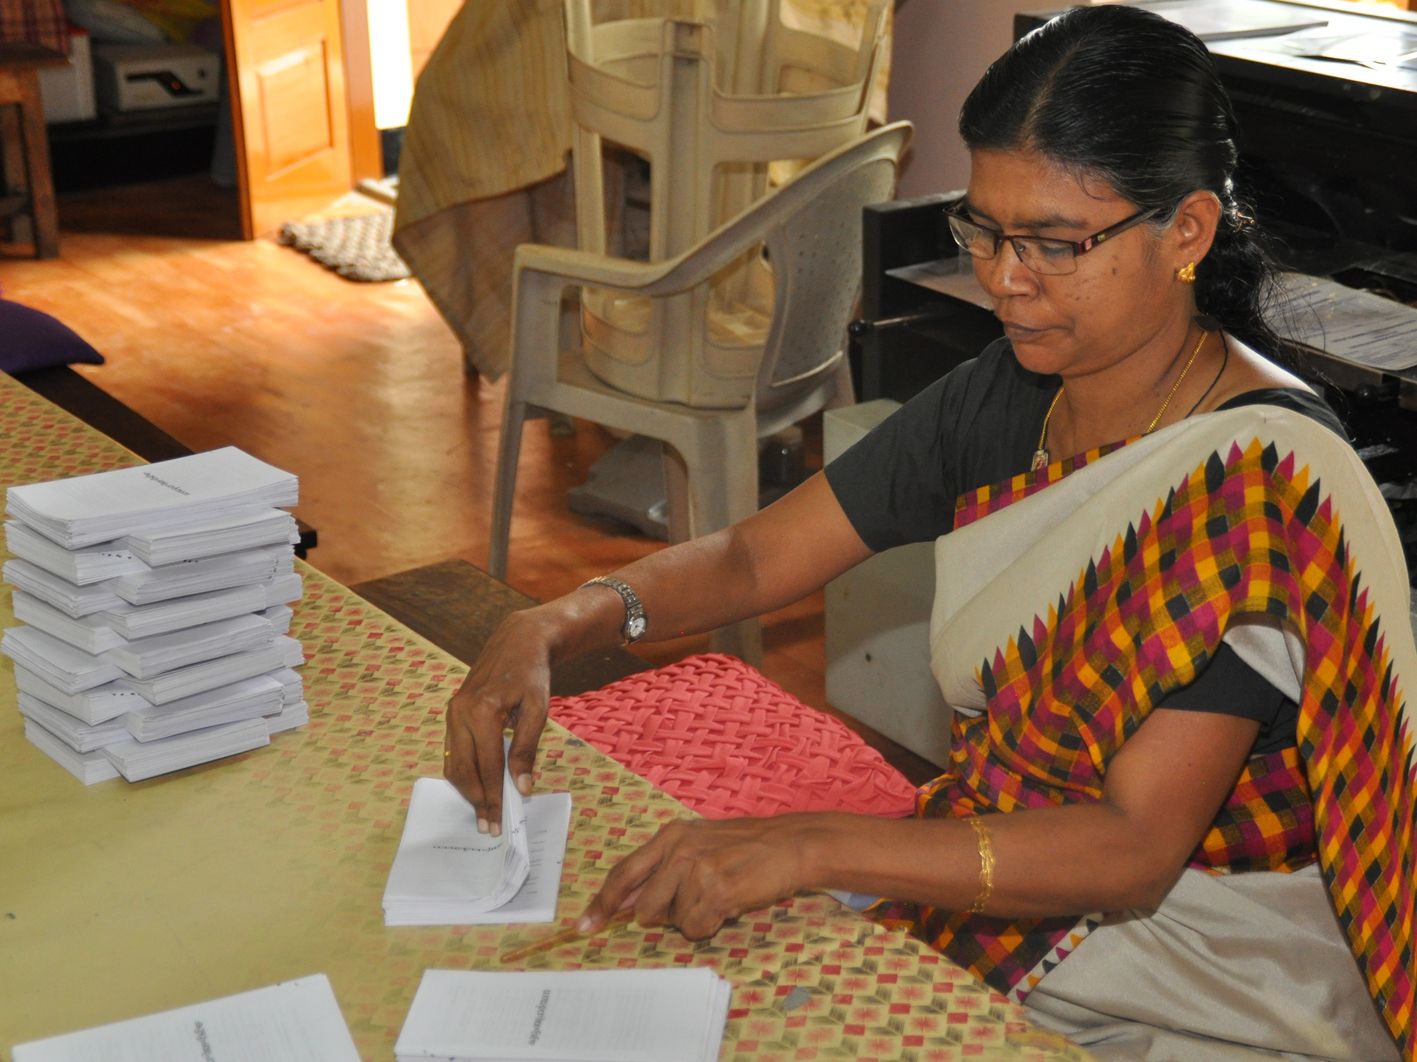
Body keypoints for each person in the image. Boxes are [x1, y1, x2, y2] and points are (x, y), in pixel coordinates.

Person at [443, 6, 1413, 1058]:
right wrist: (559, 621)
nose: (1003, 279)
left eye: (1054, 244)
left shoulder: (1253, 485)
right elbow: (754, 555)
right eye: (982, 231)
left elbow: (1132, 848)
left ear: (1185, 230)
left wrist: (813, 844)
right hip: (1008, 888)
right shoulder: (1011, 389)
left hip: (1205, 967)